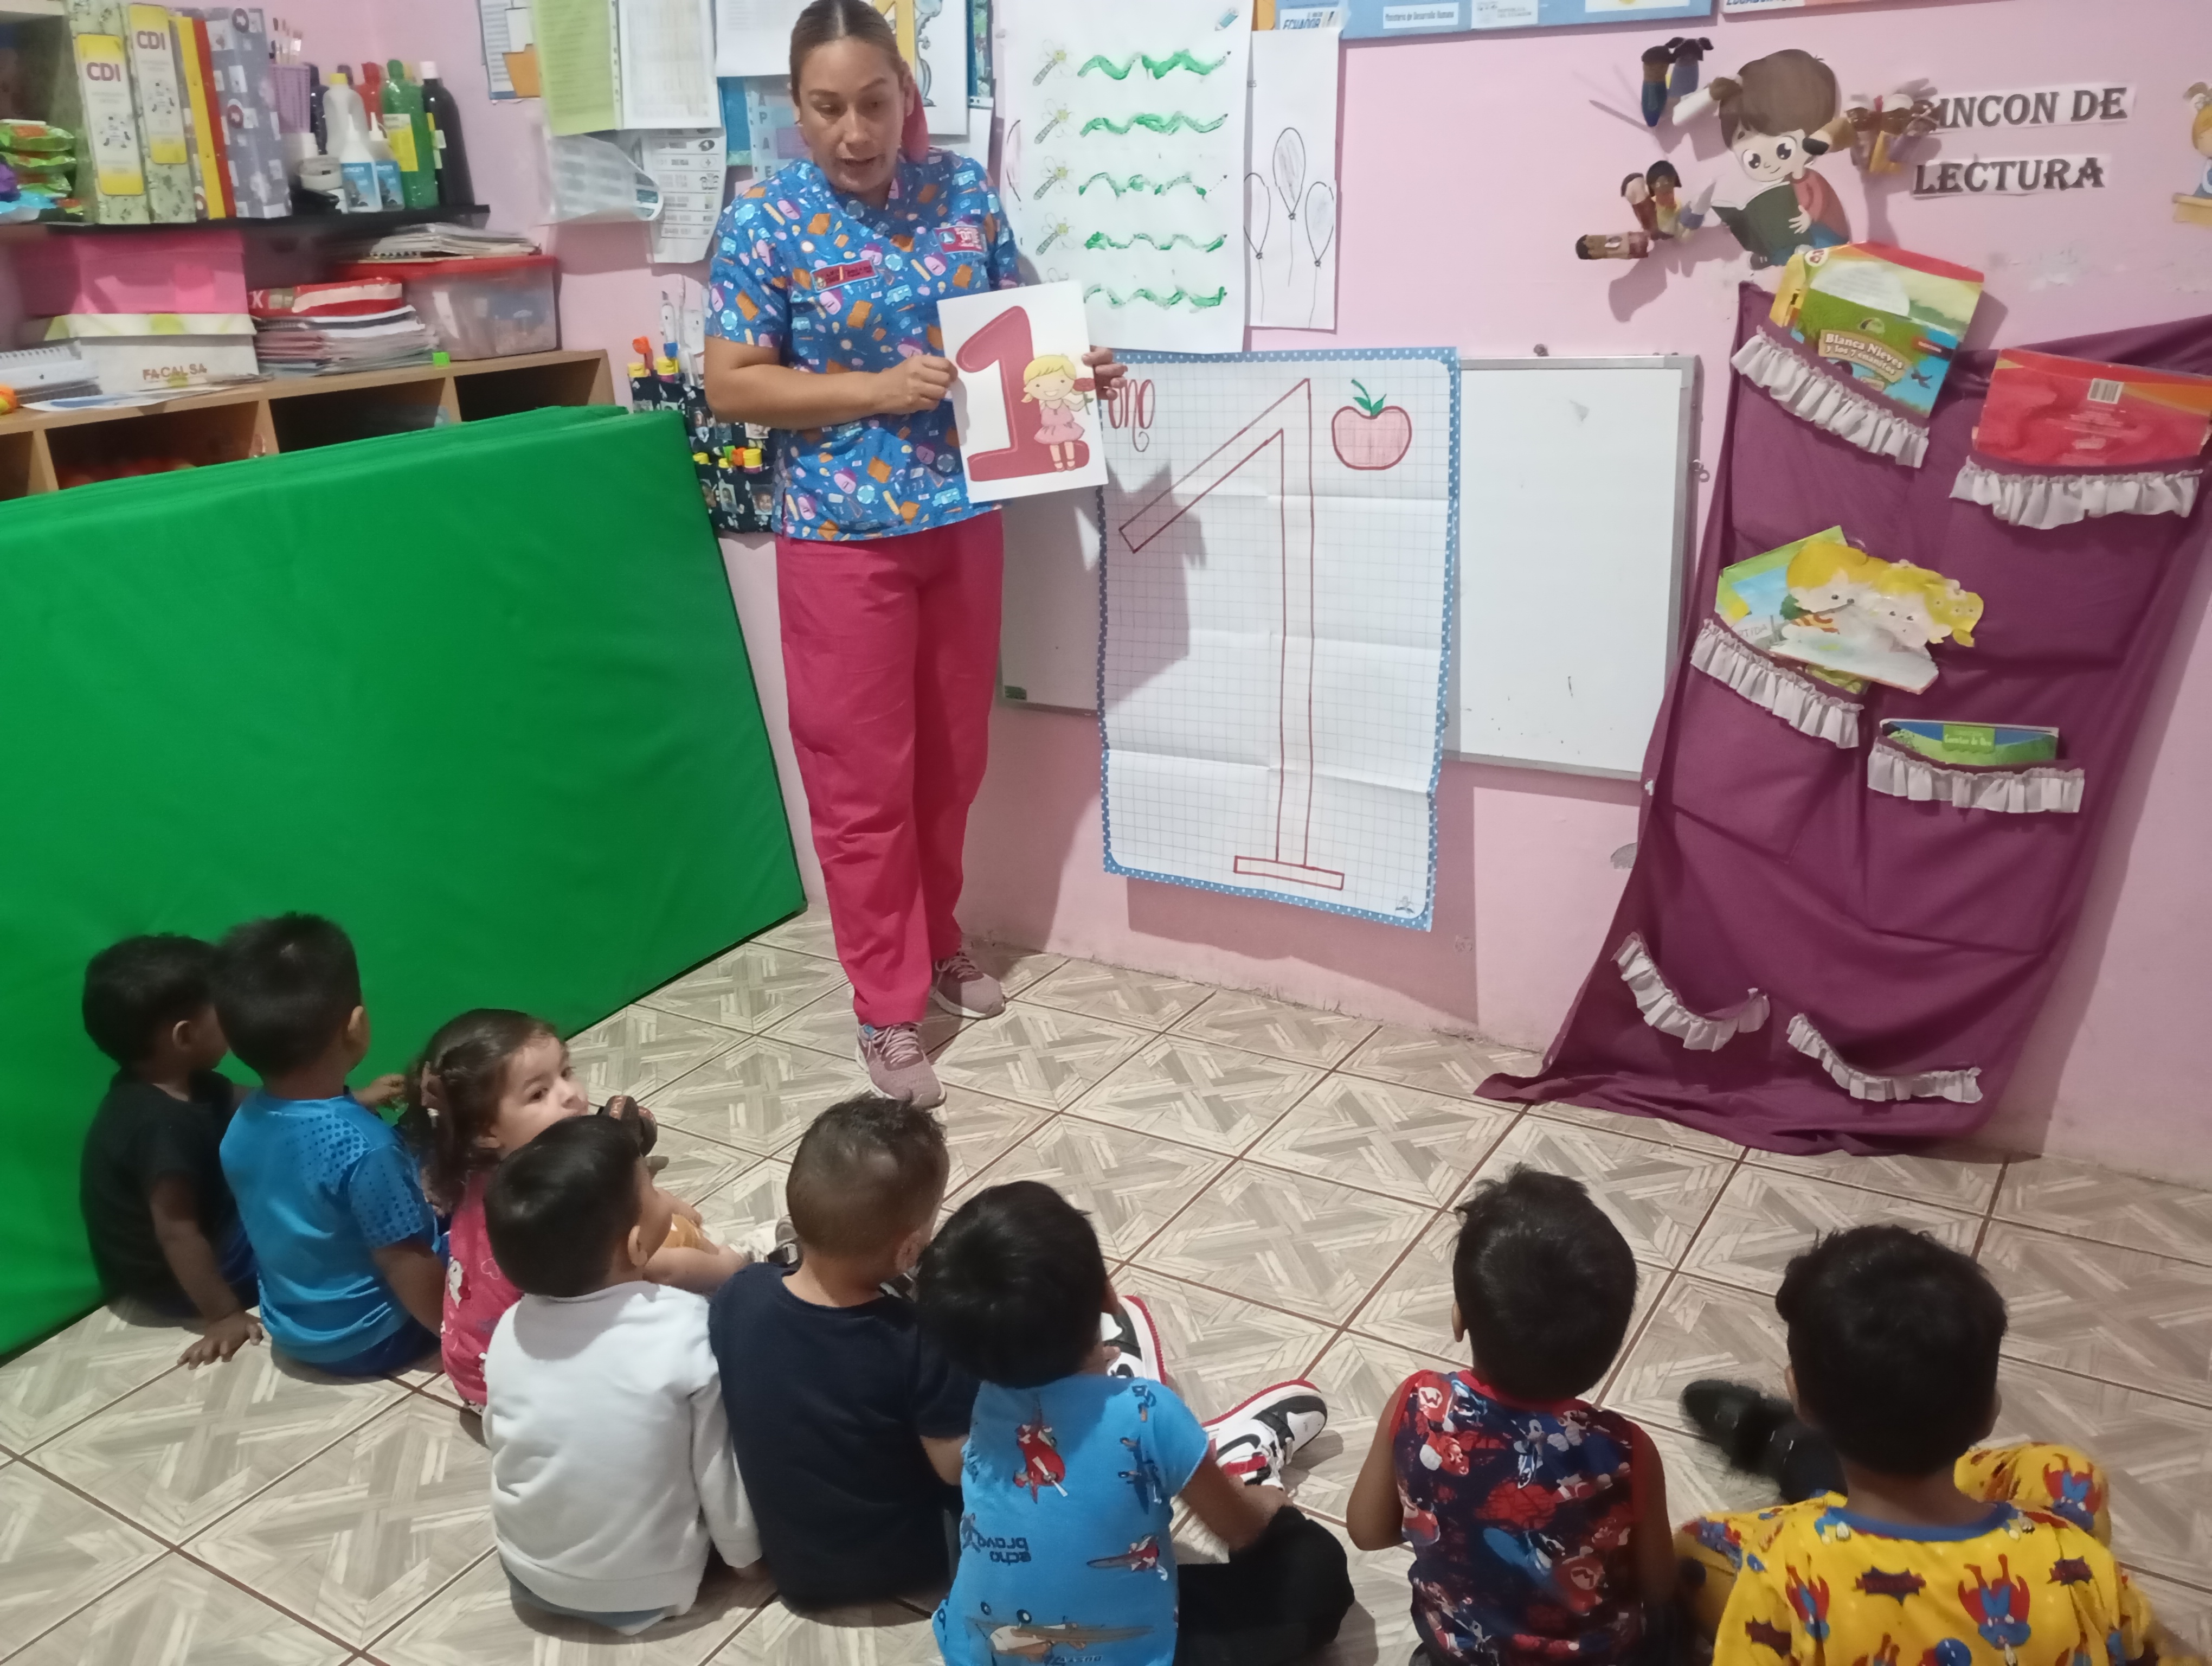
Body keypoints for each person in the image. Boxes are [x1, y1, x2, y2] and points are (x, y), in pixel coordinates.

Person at [702, 0, 1126, 1106]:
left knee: (951, 763)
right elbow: (733, 383)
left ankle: (939, 942)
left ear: (907, 98)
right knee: (863, 786)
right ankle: (885, 1007)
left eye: (874, 103)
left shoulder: (962, 195)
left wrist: (1076, 368)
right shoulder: (766, 221)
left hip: (963, 520)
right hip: (841, 539)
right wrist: (876, 390)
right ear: (796, 111)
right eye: (828, 108)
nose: (855, 131)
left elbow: (1013, 338)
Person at [1674, 1226, 2182, 1666]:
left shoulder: (1782, 1569)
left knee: (1695, 1546)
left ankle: (1802, 1462)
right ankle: (1820, 1463)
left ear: (1801, 1400)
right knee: (2066, 1471)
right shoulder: (2082, 1565)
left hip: (1818, 1562)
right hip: (2031, 1563)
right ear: (1989, 1412)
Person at [918, 1180, 1352, 1666]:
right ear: (1109, 1296)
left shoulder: (987, 1402)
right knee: (1316, 1569)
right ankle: (1245, 1465)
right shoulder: (1151, 1412)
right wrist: (1270, 1506)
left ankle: (1120, 1399)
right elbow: (1241, 1529)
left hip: (980, 1651)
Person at [1344, 1168, 1675, 1666]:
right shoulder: (1625, 1451)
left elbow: (1368, 1531)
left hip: (1457, 1652)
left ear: (1460, 1318)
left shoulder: (1420, 1404)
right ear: (1607, 1349)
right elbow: (1659, 1585)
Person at [483, 1116, 759, 1633]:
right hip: (647, 1590)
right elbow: (717, 1465)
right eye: (652, 1189)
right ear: (636, 1247)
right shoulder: (686, 1325)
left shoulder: (509, 1328)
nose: (664, 1197)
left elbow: (505, 1438)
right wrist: (745, 1557)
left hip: (527, 1575)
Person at [400, 1009, 747, 1409]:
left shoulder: (484, 1169)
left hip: (476, 1369)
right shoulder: (554, 1203)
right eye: (538, 1094)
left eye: (566, 1072)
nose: (570, 1094)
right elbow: (655, 1267)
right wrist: (730, 1266)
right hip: (522, 1392)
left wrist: (667, 1203)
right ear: (485, 1131)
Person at [708, 1092, 975, 1607]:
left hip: (795, 1566)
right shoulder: (916, 1338)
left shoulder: (739, 1295)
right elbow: (954, 1469)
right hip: (908, 1561)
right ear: (909, 1250)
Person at [213, 914, 437, 1376]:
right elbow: (404, 1262)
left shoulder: (242, 1125)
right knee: (480, 1216)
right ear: (356, 1025)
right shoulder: (366, 1147)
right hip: (375, 1337)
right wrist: (454, 1333)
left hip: (293, 1329)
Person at [77, 934, 262, 1367]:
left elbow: (263, 1105)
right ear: (185, 1035)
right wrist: (223, 1314)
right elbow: (177, 1232)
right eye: (225, 1010)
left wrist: (343, 1101)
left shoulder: (183, 1082)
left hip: (208, 1233)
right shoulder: (159, 1125)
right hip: (177, 1280)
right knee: (304, 1217)